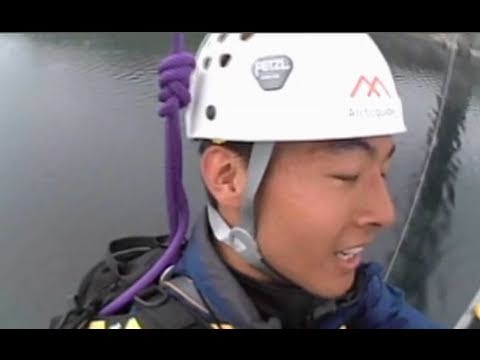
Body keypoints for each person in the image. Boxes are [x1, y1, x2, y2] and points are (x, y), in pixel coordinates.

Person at [51, 33, 443, 329]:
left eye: (384, 172)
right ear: (228, 177)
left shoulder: (354, 297)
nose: (385, 213)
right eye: (347, 175)